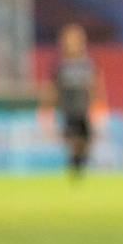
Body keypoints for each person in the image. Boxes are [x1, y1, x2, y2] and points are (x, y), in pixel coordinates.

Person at [47, 23, 105, 180]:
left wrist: (99, 106)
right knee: (73, 139)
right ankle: (75, 164)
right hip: (68, 109)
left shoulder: (88, 64)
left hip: (84, 109)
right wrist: (48, 110)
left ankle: (79, 164)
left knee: (85, 141)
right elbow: (53, 89)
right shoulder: (60, 66)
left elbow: (96, 86)